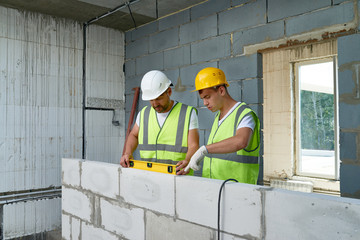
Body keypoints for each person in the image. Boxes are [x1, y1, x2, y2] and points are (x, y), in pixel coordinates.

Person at [185, 67, 260, 184]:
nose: (205, 103)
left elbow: (241, 141)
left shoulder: (244, 114)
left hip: (238, 190)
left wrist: (204, 150)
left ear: (221, 91)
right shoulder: (218, 117)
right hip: (215, 188)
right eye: (202, 99)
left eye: (207, 97)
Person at [120, 70, 199, 175]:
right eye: (151, 100)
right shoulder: (143, 114)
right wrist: (127, 153)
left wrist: (187, 160)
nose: (155, 104)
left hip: (178, 176)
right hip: (149, 176)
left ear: (169, 92)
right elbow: (134, 135)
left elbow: (194, 145)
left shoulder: (188, 113)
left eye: (158, 98)